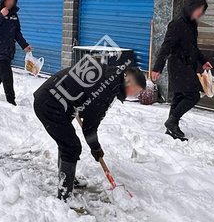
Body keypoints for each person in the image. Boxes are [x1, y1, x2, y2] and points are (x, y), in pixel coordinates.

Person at [33, 62, 146, 202]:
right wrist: (95, 148)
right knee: (71, 146)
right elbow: (89, 126)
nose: (134, 95)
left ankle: (69, 178)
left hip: (57, 99)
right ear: (129, 83)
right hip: (49, 104)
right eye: (135, 91)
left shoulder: (110, 75)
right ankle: (64, 195)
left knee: (66, 141)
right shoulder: (105, 90)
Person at [150, 0, 212, 140]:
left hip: (188, 65)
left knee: (179, 96)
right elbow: (166, 47)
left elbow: (194, 47)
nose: (201, 13)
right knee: (193, 95)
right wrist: (157, 68)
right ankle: (172, 122)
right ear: (192, 6)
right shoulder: (177, 24)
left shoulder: (192, 24)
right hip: (178, 66)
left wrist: (203, 61)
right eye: (199, 9)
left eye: (202, 10)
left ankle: (172, 127)